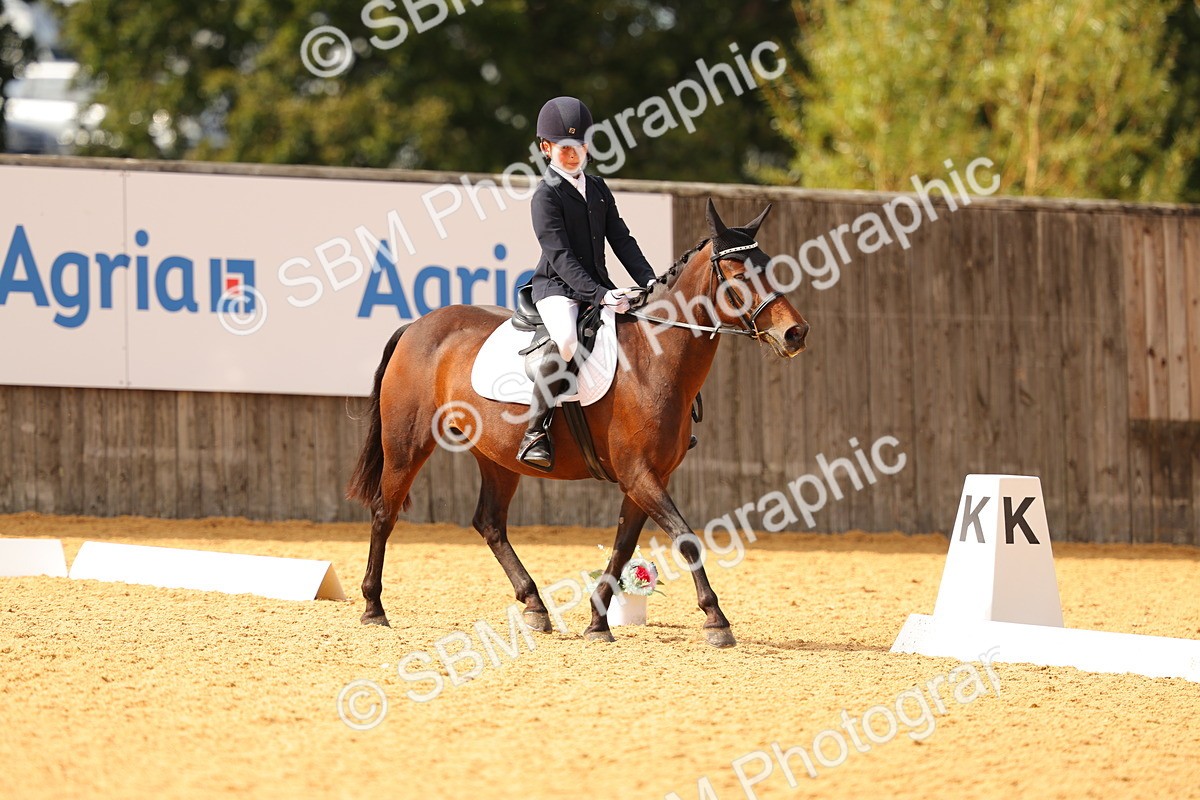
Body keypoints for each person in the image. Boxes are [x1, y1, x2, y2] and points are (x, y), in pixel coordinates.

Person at [517, 95, 657, 471]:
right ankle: (535, 431)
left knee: (642, 333)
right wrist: (601, 295)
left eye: (579, 146)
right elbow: (560, 257)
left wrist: (649, 280)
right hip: (557, 289)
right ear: (546, 148)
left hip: (599, 287)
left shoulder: (597, 188)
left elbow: (622, 239)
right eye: (564, 148)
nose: (573, 154)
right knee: (566, 341)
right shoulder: (546, 196)